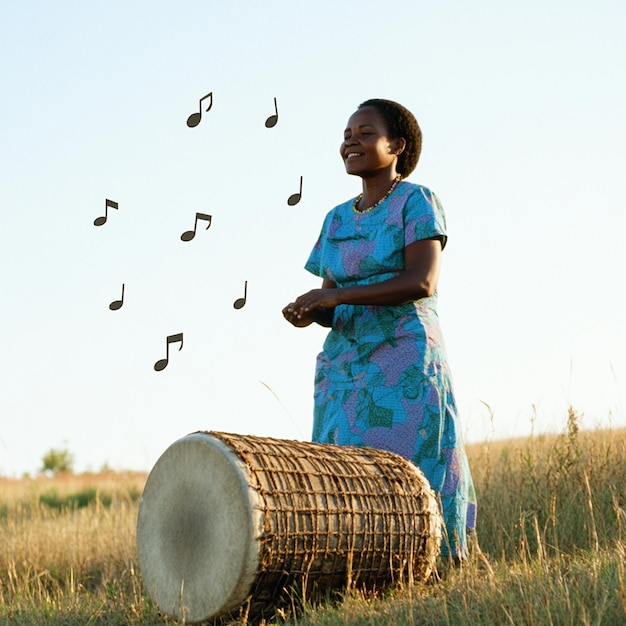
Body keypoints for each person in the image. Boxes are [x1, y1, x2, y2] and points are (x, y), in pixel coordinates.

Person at [282, 98, 476, 560]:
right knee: (346, 477)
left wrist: (337, 297)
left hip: (404, 362)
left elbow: (422, 280)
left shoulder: (417, 201)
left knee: (418, 466)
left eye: (365, 133)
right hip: (347, 368)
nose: (351, 140)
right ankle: (365, 568)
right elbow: (331, 297)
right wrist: (312, 309)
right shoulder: (335, 219)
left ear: (397, 146)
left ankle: (440, 560)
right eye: (347, 134)